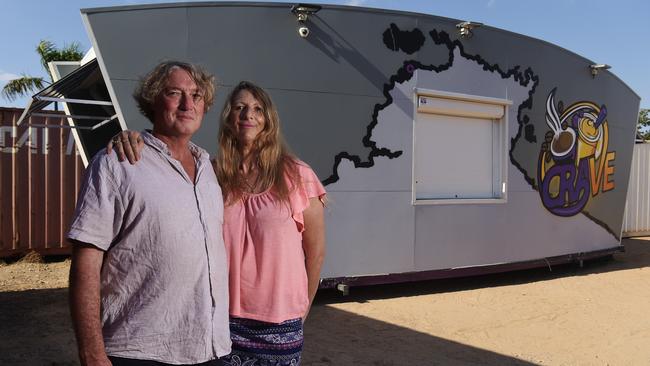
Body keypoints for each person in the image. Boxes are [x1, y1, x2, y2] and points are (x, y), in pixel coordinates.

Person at [108, 81, 326, 366]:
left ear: (269, 119)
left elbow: (316, 252)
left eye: (258, 109)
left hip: (280, 324)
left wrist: (302, 310)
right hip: (220, 320)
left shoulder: (298, 175)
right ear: (228, 118)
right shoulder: (209, 174)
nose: (249, 114)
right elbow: (167, 159)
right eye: (240, 107)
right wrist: (131, 138)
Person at [68, 61, 231, 366]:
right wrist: (92, 353)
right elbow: (86, 262)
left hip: (209, 348)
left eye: (196, 96)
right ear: (153, 100)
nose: (187, 104)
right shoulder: (118, 163)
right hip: (140, 351)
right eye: (174, 93)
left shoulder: (209, 169)